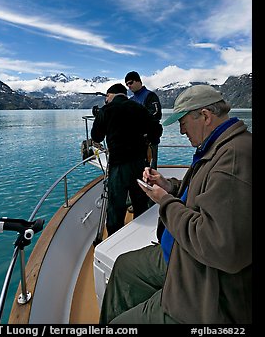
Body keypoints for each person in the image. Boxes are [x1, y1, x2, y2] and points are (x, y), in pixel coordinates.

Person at [99, 84, 252, 324]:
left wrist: (165, 202)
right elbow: (205, 192)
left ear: (204, 116)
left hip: (205, 283)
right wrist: (170, 186)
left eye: (182, 122)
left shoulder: (233, 158)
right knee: (124, 266)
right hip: (181, 249)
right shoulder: (219, 146)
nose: (181, 131)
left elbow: (221, 248)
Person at [91, 83, 159, 237]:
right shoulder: (138, 108)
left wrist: (99, 116)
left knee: (116, 207)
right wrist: (146, 140)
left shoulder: (106, 111)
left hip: (118, 166)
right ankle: (140, 237)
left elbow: (96, 136)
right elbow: (156, 130)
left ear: (111, 95)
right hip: (139, 164)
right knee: (140, 203)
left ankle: (115, 240)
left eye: (107, 96)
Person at [125, 71, 162, 168]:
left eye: (130, 82)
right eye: (127, 84)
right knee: (137, 168)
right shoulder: (131, 100)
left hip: (150, 140)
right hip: (136, 141)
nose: (129, 86)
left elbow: (156, 114)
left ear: (138, 81)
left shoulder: (150, 96)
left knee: (150, 169)